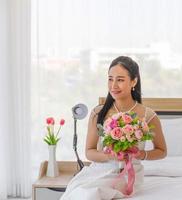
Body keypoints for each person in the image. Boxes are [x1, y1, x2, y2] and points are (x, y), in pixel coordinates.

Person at [61, 56, 167, 200]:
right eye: (110, 79)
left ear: (134, 81)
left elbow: (162, 151)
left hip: (129, 173)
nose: (113, 85)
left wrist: (141, 154)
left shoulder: (148, 115)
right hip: (99, 169)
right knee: (76, 192)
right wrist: (110, 156)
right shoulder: (98, 113)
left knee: (90, 195)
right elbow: (89, 152)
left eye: (120, 80)